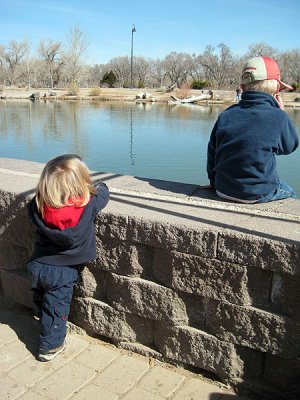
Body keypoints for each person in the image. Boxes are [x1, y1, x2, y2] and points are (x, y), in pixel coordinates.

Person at [27, 154, 110, 361]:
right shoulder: (87, 206)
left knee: (43, 299)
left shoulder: (38, 206)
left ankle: (42, 317)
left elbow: (32, 204)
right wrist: (99, 185)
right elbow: (103, 194)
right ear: (80, 184)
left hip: (37, 265)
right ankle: (50, 347)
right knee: (57, 309)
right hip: (62, 272)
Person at [207, 56, 299, 203]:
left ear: (242, 88)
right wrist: (282, 113)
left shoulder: (226, 115)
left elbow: (212, 153)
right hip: (259, 193)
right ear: (276, 89)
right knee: (291, 194)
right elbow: (289, 147)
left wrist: (213, 183)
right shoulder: (278, 116)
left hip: (222, 190)